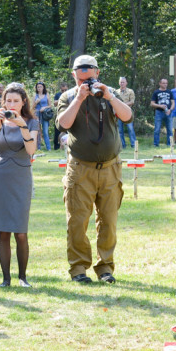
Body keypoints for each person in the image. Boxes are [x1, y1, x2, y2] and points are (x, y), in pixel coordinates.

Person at [56, 55, 132, 283]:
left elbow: (127, 116)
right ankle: (79, 269)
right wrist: (79, 98)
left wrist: (109, 96)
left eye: (89, 79)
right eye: (81, 80)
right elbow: (63, 124)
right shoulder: (68, 96)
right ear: (74, 76)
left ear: (97, 73)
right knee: (77, 221)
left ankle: (105, 268)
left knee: (109, 221)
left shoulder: (109, 93)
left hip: (110, 168)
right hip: (80, 168)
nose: (86, 84)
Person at [0, 83, 38, 288]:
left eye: (16, 101)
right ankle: (6, 279)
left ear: (23, 102)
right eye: (8, 100)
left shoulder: (32, 122)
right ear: (3, 101)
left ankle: (23, 277)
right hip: (0, 175)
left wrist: (21, 124)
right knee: (3, 231)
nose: (12, 104)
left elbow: (31, 149)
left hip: (21, 176)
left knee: (21, 231)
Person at [114, 77, 137, 149]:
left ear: (126, 83)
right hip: (118, 113)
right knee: (120, 130)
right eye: (121, 82)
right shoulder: (116, 92)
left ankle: (133, 145)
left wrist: (122, 105)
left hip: (127, 113)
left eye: (123, 82)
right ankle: (122, 145)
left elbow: (132, 102)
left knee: (130, 129)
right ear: (119, 83)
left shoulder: (130, 91)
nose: (122, 83)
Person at [151, 78, 174, 148]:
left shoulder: (169, 92)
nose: (165, 84)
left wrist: (170, 110)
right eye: (163, 83)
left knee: (170, 129)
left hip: (168, 112)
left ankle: (170, 144)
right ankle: (156, 144)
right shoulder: (156, 92)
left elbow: (173, 103)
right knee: (157, 129)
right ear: (160, 83)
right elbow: (152, 104)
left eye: (166, 83)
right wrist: (160, 106)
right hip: (159, 112)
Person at [32, 82, 52, 151]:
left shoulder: (47, 95)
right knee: (38, 131)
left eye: (40, 87)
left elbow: (50, 105)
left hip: (44, 115)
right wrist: (36, 102)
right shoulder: (35, 96)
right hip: (37, 115)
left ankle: (48, 148)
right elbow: (32, 107)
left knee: (45, 132)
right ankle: (39, 147)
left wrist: (44, 107)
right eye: (38, 87)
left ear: (43, 87)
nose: (39, 88)